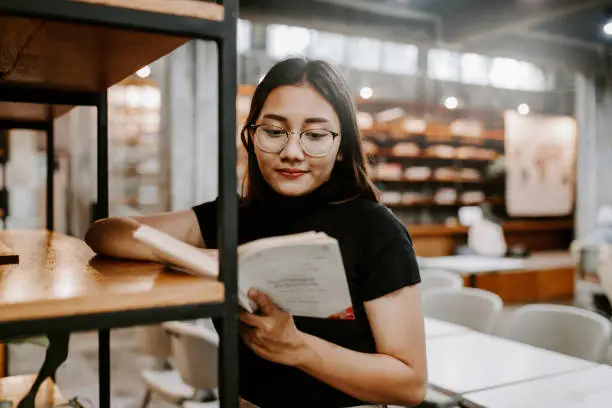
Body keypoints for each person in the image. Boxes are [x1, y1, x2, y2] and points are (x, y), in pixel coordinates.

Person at [85, 57, 427, 408]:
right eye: (274, 131)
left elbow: (410, 385)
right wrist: (206, 258)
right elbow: (106, 234)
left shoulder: (376, 230)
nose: (292, 152)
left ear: (342, 146)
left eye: (315, 135)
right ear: (251, 136)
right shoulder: (232, 216)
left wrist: (297, 349)